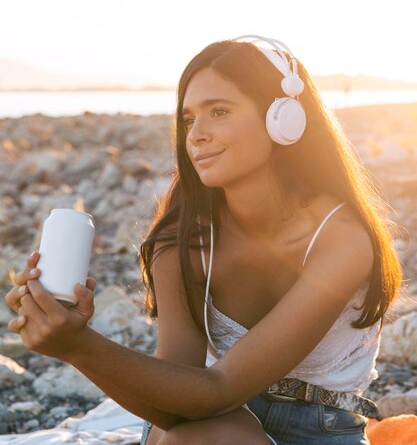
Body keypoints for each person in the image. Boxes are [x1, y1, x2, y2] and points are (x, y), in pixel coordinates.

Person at [6, 35, 402, 445]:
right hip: (203, 424)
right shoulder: (184, 237)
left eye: (219, 111)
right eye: (189, 119)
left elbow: (217, 390)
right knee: (194, 436)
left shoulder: (341, 239)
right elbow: (175, 406)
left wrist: (81, 347)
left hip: (318, 432)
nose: (196, 135)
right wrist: (69, 341)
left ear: (284, 119)